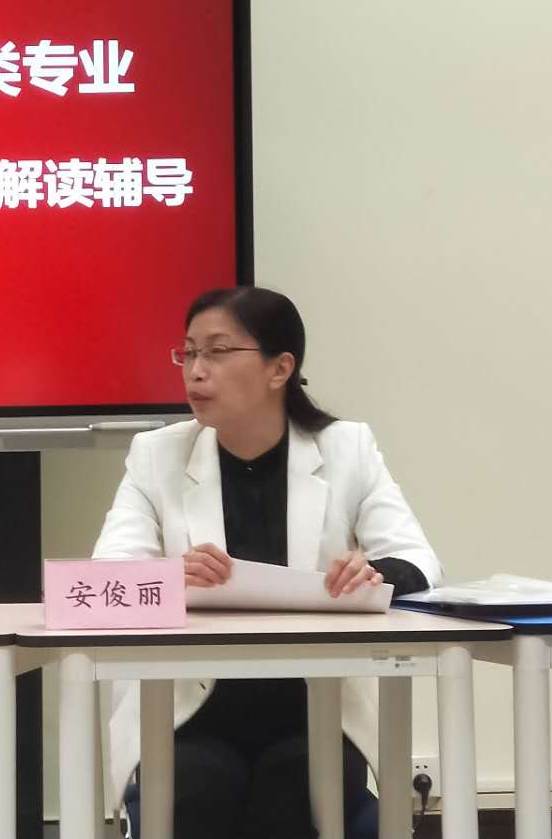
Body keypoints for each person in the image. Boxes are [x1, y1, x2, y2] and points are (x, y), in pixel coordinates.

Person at [93, 286, 442, 839]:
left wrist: (373, 574)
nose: (195, 372)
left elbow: (418, 561)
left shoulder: (346, 448)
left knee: (295, 793)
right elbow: (103, 581)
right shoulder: (156, 455)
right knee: (196, 793)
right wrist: (168, 577)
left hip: (315, 712)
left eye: (217, 352)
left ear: (280, 368)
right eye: (188, 353)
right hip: (191, 713)